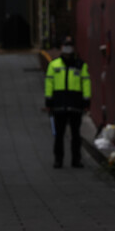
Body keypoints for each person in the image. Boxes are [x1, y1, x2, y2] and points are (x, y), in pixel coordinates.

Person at [45, 37, 91, 168]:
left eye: (70, 46)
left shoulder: (81, 65)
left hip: (75, 104)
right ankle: (58, 159)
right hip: (59, 103)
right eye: (65, 46)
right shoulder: (54, 65)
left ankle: (76, 159)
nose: (67, 49)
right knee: (59, 134)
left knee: (76, 134)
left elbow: (86, 83)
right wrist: (49, 101)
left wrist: (86, 101)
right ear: (61, 48)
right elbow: (49, 83)